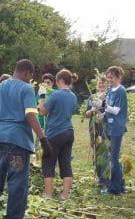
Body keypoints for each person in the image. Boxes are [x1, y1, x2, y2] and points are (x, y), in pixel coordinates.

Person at [0, 59, 53, 219]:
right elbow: (30, 115)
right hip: (18, 145)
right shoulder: (26, 88)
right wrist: (43, 139)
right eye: (30, 76)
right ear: (27, 73)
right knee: (17, 182)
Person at [38, 69, 78, 199]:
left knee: (48, 163)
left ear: (60, 80)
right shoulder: (73, 96)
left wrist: (42, 97)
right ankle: (64, 196)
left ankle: (48, 196)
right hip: (69, 132)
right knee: (65, 163)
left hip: (55, 133)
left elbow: (42, 112)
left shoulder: (56, 95)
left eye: (56, 81)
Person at [101, 66, 127, 195]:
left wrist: (103, 105)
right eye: (108, 78)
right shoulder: (110, 90)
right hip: (109, 126)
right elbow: (108, 108)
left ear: (118, 77)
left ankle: (115, 189)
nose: (109, 80)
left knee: (114, 159)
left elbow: (116, 110)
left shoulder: (121, 91)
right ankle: (121, 185)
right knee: (114, 157)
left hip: (117, 127)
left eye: (111, 78)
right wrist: (102, 114)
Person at [85, 77, 109, 188]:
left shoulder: (109, 96)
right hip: (94, 128)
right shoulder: (92, 97)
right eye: (99, 83)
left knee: (105, 153)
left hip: (106, 128)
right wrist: (93, 110)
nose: (101, 85)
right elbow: (86, 114)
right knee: (96, 152)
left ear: (107, 84)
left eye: (103, 83)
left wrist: (103, 115)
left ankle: (105, 180)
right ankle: (100, 178)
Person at [35, 73, 56, 161]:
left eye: (48, 83)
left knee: (52, 146)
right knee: (38, 146)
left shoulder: (55, 94)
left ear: (52, 83)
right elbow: (37, 107)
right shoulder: (39, 94)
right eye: (45, 83)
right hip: (41, 124)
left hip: (52, 125)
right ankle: (38, 165)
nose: (46, 85)